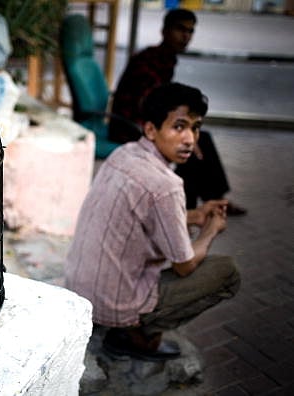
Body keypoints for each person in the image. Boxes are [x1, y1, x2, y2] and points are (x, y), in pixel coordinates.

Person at [65, 82, 240, 361]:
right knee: (228, 272)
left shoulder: (124, 153)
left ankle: (126, 324)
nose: (189, 139)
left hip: (81, 290)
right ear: (150, 129)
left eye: (195, 128)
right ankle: (135, 333)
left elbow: (148, 217)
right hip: (113, 305)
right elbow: (184, 266)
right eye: (179, 127)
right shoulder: (165, 185)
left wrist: (195, 215)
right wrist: (209, 230)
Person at [108, 8, 246, 215]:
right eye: (180, 29)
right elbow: (148, 108)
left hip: (148, 123)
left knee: (199, 139)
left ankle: (213, 202)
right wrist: (180, 132)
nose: (185, 36)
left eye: (190, 31)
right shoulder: (149, 61)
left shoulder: (167, 59)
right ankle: (183, 212)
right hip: (131, 126)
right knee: (188, 147)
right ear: (164, 31)